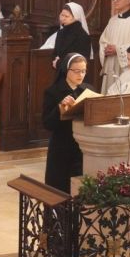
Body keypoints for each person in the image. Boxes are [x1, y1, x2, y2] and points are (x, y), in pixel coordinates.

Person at [42, 53, 94, 193]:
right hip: (61, 146)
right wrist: (60, 107)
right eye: (76, 71)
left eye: (83, 71)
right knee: (59, 188)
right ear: (66, 70)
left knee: (79, 187)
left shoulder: (88, 90)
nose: (80, 75)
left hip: (82, 145)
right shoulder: (53, 92)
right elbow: (47, 123)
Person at [39, 2, 92, 69]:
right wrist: (55, 60)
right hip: (59, 72)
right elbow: (55, 53)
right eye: (62, 15)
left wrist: (59, 63)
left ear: (76, 17)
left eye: (66, 16)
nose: (62, 18)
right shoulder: (60, 32)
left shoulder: (82, 36)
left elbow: (80, 60)